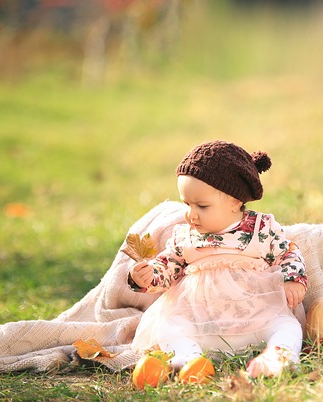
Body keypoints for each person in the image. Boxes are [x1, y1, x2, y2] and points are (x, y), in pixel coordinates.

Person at [128, 140, 308, 377]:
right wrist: (148, 276)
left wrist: (292, 278)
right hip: (202, 324)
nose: (191, 214)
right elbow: (168, 266)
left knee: (287, 325)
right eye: (186, 203)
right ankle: (189, 359)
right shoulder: (184, 237)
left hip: (255, 317)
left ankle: (279, 356)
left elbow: (288, 252)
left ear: (235, 201)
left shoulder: (261, 228)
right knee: (169, 325)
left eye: (201, 206)